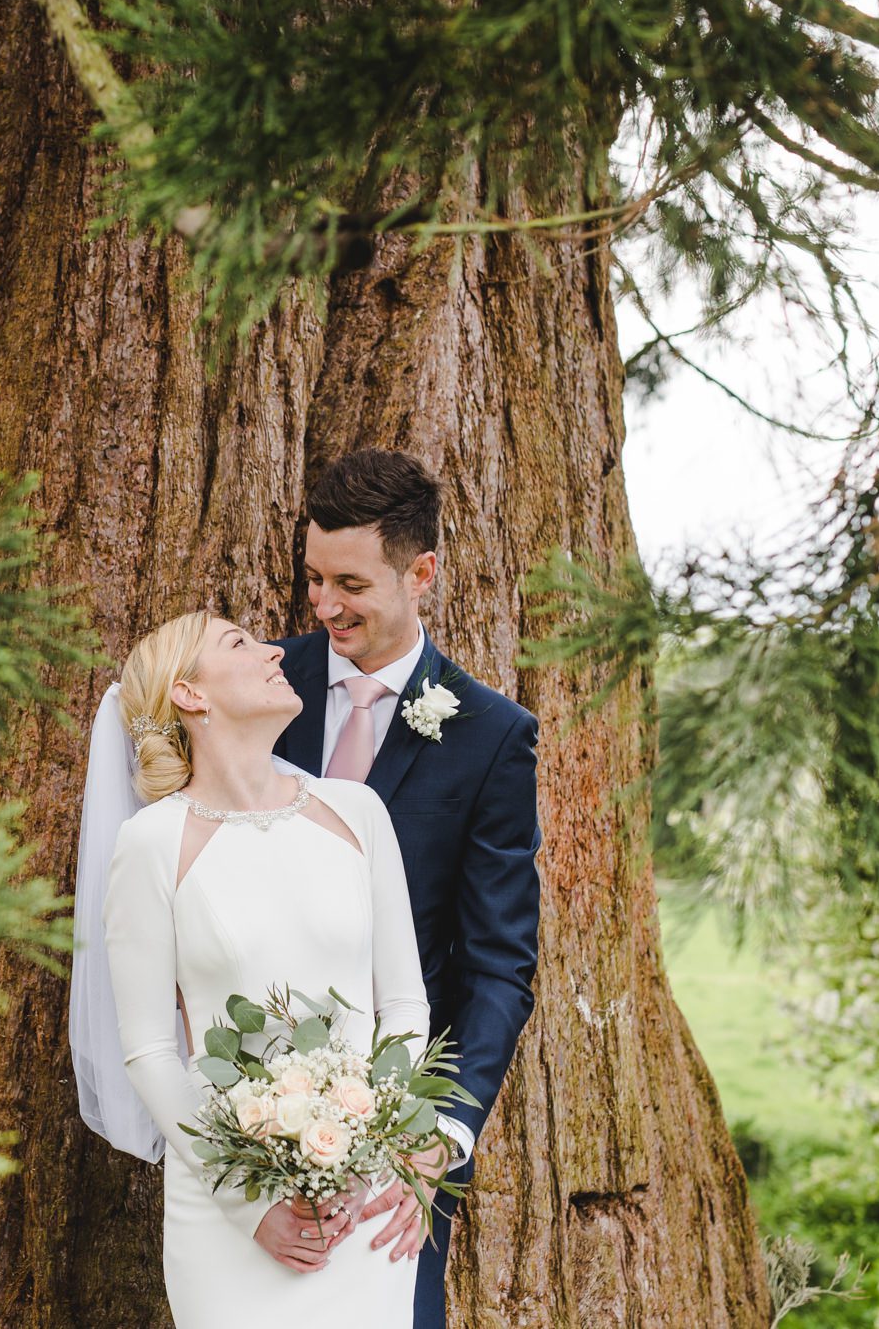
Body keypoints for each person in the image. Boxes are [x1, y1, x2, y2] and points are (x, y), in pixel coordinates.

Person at [92, 609, 434, 1325]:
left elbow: (404, 1004)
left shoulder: (357, 812)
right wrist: (250, 1204)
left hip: (360, 1200)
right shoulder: (152, 843)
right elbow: (151, 1049)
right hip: (229, 1216)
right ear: (191, 694)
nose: (273, 649)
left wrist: (368, 1147)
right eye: (238, 643)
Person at [274, 449, 542, 1329]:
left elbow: (499, 964)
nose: (323, 604)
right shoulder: (262, 687)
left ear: (421, 572)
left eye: (350, 582)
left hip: (398, 1137)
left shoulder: (492, 736)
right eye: (313, 577)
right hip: (252, 1105)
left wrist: (446, 1132)